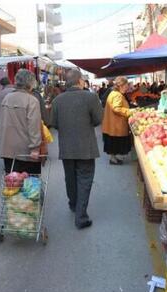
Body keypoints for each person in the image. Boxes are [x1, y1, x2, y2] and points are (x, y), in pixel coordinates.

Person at [51, 69, 103, 229]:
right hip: (85, 146)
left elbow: (54, 123)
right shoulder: (91, 97)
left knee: (70, 178)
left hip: (66, 146)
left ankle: (74, 204)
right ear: (80, 81)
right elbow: (98, 119)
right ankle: (81, 216)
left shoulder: (57, 100)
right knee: (85, 179)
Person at [0, 69, 42, 174]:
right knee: (30, 186)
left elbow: (1, 121)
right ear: (31, 83)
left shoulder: (6, 98)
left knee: (12, 185)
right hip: (25, 152)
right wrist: (35, 148)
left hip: (7, 149)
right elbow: (34, 126)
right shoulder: (31, 100)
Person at [102, 76, 133, 165]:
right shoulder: (117, 95)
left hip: (113, 125)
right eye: (126, 85)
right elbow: (117, 108)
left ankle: (114, 159)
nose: (127, 87)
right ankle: (115, 159)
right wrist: (129, 111)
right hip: (116, 126)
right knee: (117, 144)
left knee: (113, 144)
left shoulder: (113, 93)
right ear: (121, 85)